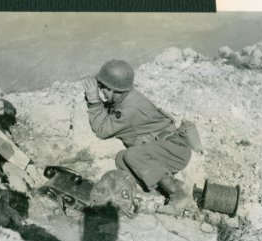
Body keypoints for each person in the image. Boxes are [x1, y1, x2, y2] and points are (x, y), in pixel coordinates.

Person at [82, 59, 194, 205]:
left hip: (174, 151)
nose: (101, 91)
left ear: (114, 89)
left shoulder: (130, 110)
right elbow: (112, 113)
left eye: (102, 87)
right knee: (121, 159)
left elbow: (102, 130)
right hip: (164, 147)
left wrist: (94, 101)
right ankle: (160, 186)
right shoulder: (127, 96)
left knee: (132, 155)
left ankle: (178, 194)